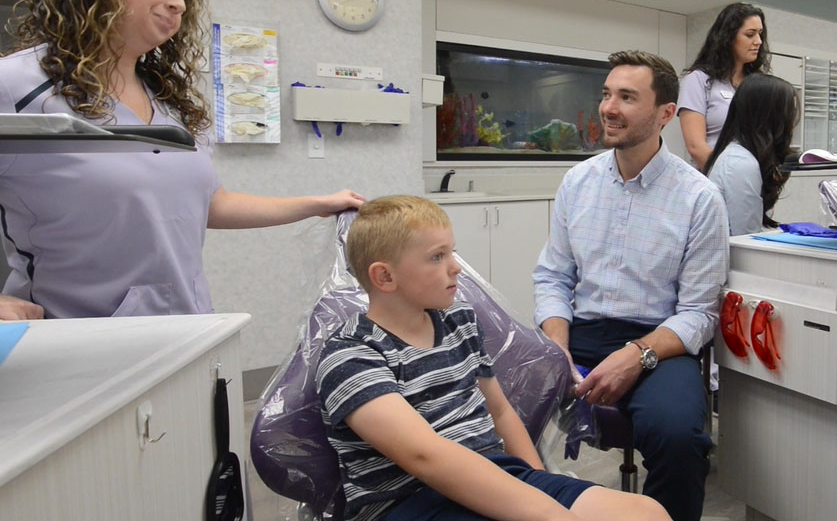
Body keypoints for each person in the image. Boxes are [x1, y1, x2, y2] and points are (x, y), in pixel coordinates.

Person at [0, 0, 364, 321]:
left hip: (186, 327)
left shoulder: (168, 103)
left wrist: (317, 203)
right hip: (76, 339)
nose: (177, 2)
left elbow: (209, 204)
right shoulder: (17, 86)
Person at [316, 195, 670, 521]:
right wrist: (546, 512)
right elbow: (425, 457)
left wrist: (537, 482)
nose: (456, 267)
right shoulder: (351, 355)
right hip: (411, 500)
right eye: (437, 257)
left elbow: (499, 411)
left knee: (647, 513)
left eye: (452, 252)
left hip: (495, 471)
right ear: (385, 276)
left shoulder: (459, 323)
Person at [533, 51, 729, 521]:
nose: (608, 107)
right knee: (498, 407)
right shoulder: (577, 182)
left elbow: (700, 313)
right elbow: (554, 276)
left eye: (626, 97)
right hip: (580, 333)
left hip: (660, 342)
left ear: (664, 114)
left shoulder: (699, 198)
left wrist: (637, 354)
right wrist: (556, 346)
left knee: (680, 439)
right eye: (606, 94)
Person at [677, 2, 770, 169]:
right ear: (728, 38)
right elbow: (696, 147)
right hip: (713, 182)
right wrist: (729, 180)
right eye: (750, 35)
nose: (759, 41)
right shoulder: (698, 80)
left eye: (760, 34)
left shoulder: (758, 84)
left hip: (754, 183)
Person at [704, 73, 798, 236]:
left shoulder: (742, 157)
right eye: (789, 113)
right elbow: (747, 239)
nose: (792, 124)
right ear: (770, 117)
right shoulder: (740, 163)